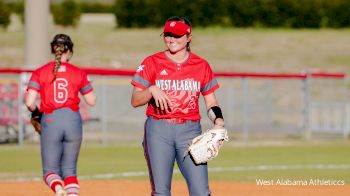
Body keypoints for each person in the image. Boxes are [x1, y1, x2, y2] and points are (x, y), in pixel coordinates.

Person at [131, 16, 225, 196]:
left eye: (177, 35)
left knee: (201, 191)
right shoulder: (152, 62)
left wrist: (219, 122)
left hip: (189, 132)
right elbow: (135, 100)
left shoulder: (201, 65)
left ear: (189, 37)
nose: (171, 39)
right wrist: (151, 90)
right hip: (159, 130)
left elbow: (211, 101)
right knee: (161, 191)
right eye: (167, 34)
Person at [25, 34, 96, 196]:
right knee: (70, 171)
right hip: (73, 120)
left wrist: (36, 113)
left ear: (53, 49)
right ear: (69, 51)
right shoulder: (78, 72)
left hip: (51, 119)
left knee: (50, 171)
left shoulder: (40, 72)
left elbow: (29, 103)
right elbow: (91, 101)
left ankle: (58, 189)